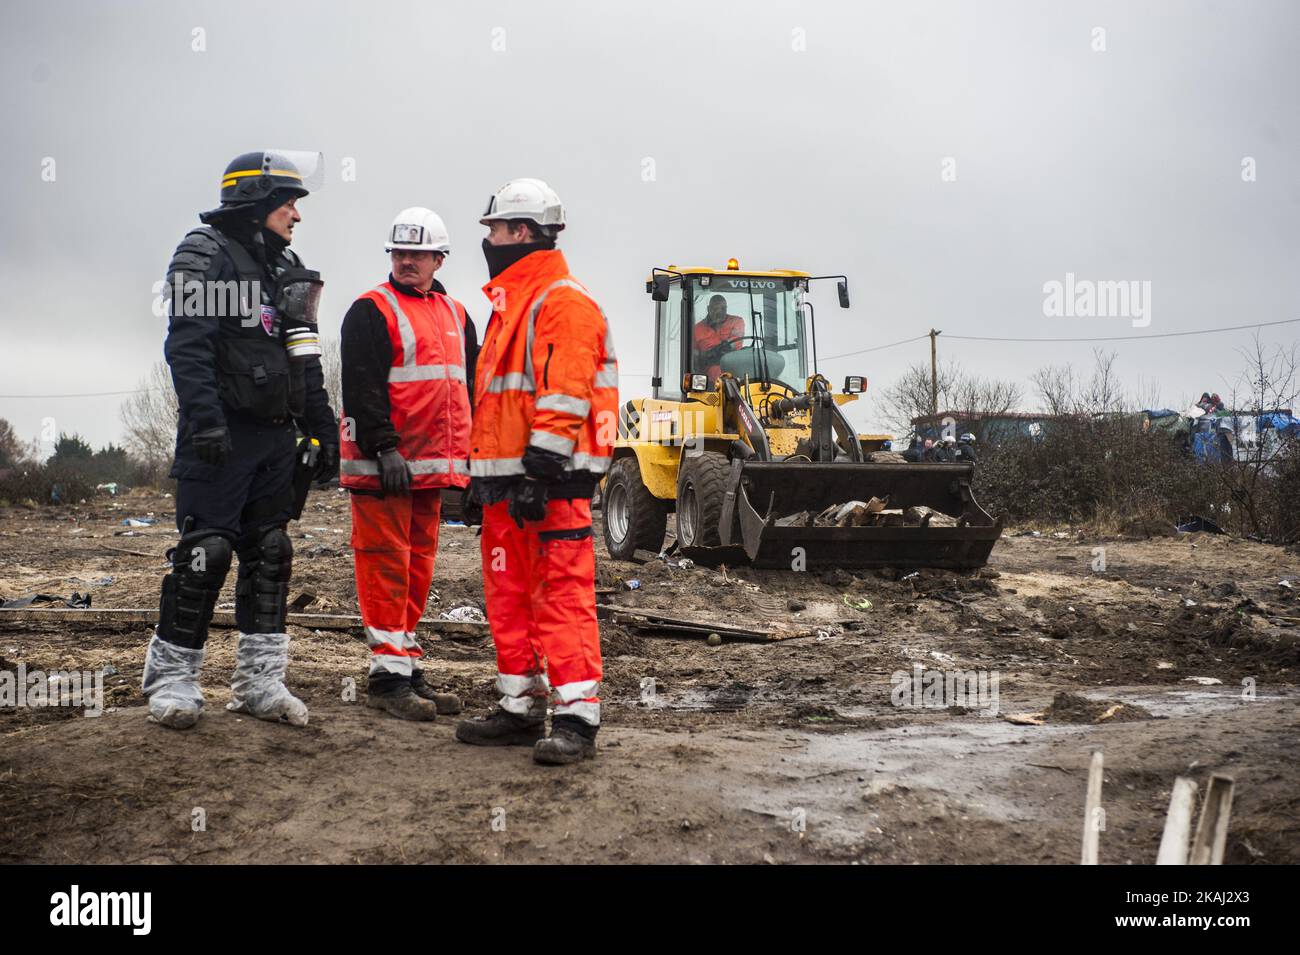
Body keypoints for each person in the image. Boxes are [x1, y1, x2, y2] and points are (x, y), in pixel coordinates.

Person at [142, 150, 338, 730]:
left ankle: (260, 684)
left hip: (278, 441)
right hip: (220, 438)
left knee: (271, 554)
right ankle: (173, 682)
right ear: (253, 200)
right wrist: (204, 420)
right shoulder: (203, 253)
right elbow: (187, 345)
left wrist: (324, 432)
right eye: (288, 202)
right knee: (206, 554)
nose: (297, 215)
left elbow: (305, 357)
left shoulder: (288, 266)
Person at [456, 178, 618, 765]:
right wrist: (484, 477)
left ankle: (576, 717)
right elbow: (499, 404)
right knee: (509, 597)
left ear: (520, 232)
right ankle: (520, 706)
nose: (489, 240)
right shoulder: (513, 304)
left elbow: (566, 392)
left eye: (494, 230)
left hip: (549, 485)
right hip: (510, 488)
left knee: (561, 598)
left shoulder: (560, 301)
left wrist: (542, 470)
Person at [339, 208, 476, 720]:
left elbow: (469, 391)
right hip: (384, 467)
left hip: (430, 470)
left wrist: (471, 463)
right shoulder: (369, 309)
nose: (407, 261)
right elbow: (361, 385)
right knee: (385, 564)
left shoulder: (458, 315)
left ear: (439, 258)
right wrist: (384, 447)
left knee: (417, 566)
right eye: (399, 253)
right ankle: (387, 676)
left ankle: (406, 664)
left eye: (418, 254)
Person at [692, 294, 745, 383]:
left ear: (726, 309)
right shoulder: (697, 329)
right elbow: (693, 356)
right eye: (715, 309)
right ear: (708, 309)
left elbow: (733, 344)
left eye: (722, 309)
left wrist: (710, 353)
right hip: (707, 381)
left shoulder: (736, 322)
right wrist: (702, 356)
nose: (719, 312)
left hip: (735, 375)